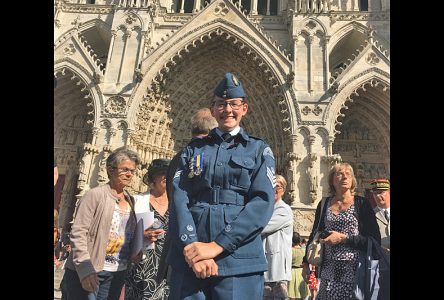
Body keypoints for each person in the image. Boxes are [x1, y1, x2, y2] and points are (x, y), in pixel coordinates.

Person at [168, 72, 276, 299]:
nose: (228, 110)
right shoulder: (192, 150)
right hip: (191, 259)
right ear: (213, 108)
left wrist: (217, 246)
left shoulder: (258, 150)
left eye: (234, 104)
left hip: (238, 260)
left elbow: (261, 205)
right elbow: (179, 199)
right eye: (221, 104)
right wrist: (193, 248)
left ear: (244, 108)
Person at [63, 146, 143, 300]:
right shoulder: (95, 195)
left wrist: (139, 244)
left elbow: (125, 233)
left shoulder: (130, 200)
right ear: (110, 170)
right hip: (91, 269)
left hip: (117, 271)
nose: (129, 174)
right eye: (125, 169)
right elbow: (78, 233)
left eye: (132, 171)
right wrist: (85, 269)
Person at [301, 162, 381, 299]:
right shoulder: (324, 204)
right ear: (332, 180)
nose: (344, 177)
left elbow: (375, 240)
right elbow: (315, 234)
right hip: (327, 271)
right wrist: (306, 263)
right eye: (339, 174)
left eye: (348, 174)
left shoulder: (361, 204)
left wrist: (344, 238)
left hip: (355, 272)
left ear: (353, 180)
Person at [157, 107, 218, 284]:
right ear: (213, 130)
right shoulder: (199, 155)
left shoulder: (179, 156)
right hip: (199, 246)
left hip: (182, 245)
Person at [125, 158, 171, 300]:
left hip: (168, 265)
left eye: (169, 173)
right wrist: (141, 235)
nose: (166, 177)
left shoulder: (177, 203)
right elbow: (122, 232)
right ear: (153, 177)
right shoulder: (136, 200)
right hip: (142, 263)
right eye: (162, 173)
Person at [261, 175, 293, 300]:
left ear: (283, 190)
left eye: (278, 186)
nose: (274, 189)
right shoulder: (268, 208)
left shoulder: (283, 210)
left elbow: (261, 228)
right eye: (272, 185)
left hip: (277, 271)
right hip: (265, 268)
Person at [370, 177, 390, 256]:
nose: (378, 196)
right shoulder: (369, 215)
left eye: (381, 192)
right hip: (381, 262)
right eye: (375, 193)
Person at [288, 232, 308, 300]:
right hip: (301, 272)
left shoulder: (289, 250)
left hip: (291, 272)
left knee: (291, 294)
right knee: (301, 294)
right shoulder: (303, 250)